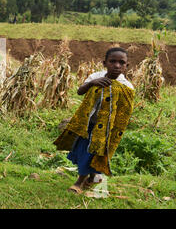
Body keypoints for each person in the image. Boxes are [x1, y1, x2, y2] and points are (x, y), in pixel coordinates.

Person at [54, 47, 135, 194]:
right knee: (83, 152)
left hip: (106, 129)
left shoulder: (127, 87)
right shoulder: (95, 77)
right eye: (112, 61)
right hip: (88, 124)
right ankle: (92, 178)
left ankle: (79, 183)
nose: (117, 65)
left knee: (92, 153)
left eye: (121, 62)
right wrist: (92, 83)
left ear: (126, 66)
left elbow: (125, 112)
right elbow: (80, 91)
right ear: (105, 63)